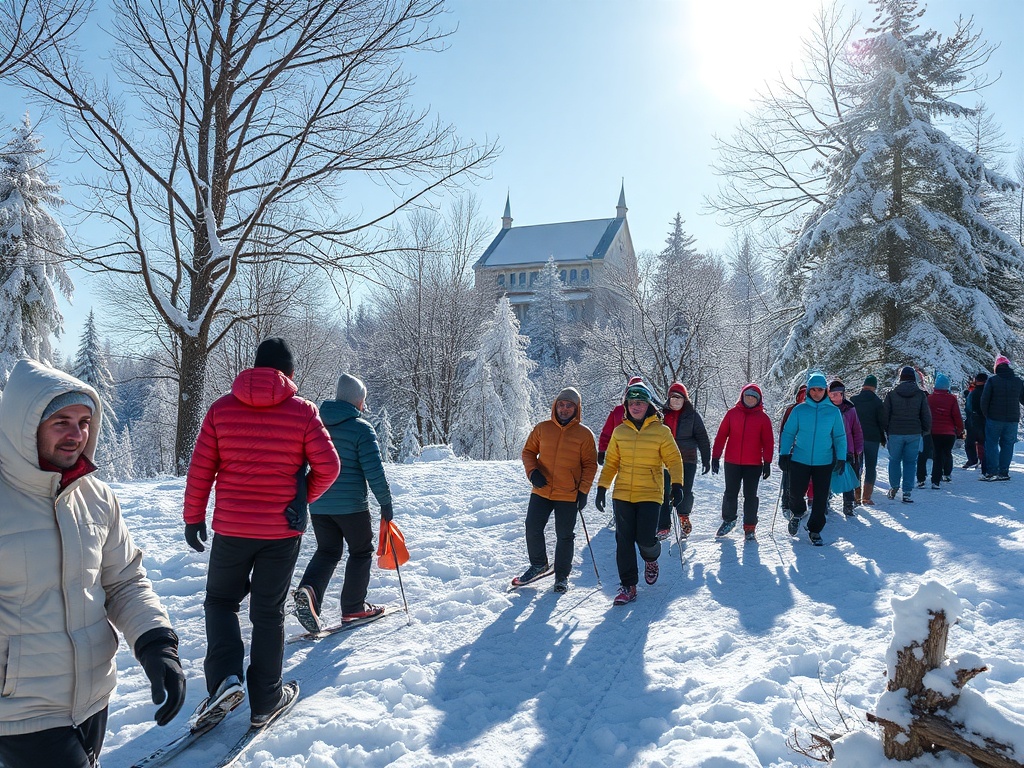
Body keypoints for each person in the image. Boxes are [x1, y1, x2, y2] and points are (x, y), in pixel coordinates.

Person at [0, 359, 185, 768]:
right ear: (23, 426)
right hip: (21, 711)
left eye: (84, 421)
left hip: (92, 697)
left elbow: (123, 581)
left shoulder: (96, 497)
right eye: (61, 421)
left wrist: (156, 643)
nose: (76, 435)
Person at [183, 338, 340, 730]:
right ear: (288, 374)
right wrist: (303, 496)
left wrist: (193, 516)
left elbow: (201, 467)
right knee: (268, 613)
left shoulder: (221, 410)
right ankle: (266, 699)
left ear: (253, 369)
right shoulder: (304, 413)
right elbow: (330, 466)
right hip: (281, 531)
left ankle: (224, 681)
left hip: (232, 529)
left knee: (220, 602)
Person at [293, 373, 396, 631]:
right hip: (352, 506)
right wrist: (385, 502)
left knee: (328, 551)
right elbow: (374, 471)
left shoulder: (317, 425)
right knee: (360, 551)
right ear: (357, 401)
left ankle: (309, 591)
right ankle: (353, 607)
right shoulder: (361, 429)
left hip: (318, 505)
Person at [595, 384, 683, 606]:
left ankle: (651, 559)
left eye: (640, 402)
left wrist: (677, 485)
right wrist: (602, 487)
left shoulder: (661, 431)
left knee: (645, 538)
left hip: (650, 494)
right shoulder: (619, 432)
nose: (636, 406)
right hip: (623, 493)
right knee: (623, 540)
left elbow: (673, 460)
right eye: (632, 403)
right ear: (626, 405)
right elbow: (611, 462)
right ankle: (628, 585)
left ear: (648, 405)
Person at [517, 387, 599, 593]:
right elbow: (528, 452)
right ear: (555, 406)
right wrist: (533, 472)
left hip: (569, 493)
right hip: (541, 490)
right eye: (561, 405)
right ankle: (538, 564)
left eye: (569, 405)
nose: (564, 409)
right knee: (532, 527)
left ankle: (561, 576)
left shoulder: (584, 435)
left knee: (564, 535)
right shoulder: (542, 429)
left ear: (576, 408)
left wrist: (583, 491)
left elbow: (590, 465)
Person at [778, 372, 847, 545]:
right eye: (814, 389)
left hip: (823, 461)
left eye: (821, 389)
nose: (817, 393)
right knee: (794, 493)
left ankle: (815, 530)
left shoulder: (833, 412)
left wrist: (841, 457)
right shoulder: (799, 410)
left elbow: (839, 436)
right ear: (809, 390)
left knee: (820, 498)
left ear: (825, 391)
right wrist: (784, 454)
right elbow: (788, 433)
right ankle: (797, 513)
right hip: (800, 459)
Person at [710, 383, 774, 541]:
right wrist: (715, 457)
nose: (750, 399)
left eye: (754, 397)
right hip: (732, 462)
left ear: (758, 400)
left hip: (753, 464)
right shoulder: (732, 414)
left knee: (750, 495)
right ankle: (729, 520)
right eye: (748, 396)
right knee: (730, 493)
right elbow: (721, 435)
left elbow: (768, 442)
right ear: (742, 397)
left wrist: (767, 462)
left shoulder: (763, 418)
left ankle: (750, 526)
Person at [657, 382, 710, 540]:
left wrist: (706, 458)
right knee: (664, 492)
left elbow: (702, 437)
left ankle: (683, 517)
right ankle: (663, 526)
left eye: (679, 398)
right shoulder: (661, 414)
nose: (675, 401)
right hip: (665, 461)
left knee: (685, 491)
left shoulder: (692, 415)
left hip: (687, 459)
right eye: (673, 397)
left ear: (684, 399)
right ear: (669, 399)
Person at [882, 365, 931, 502]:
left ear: (900, 378)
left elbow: (885, 415)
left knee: (894, 460)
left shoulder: (891, 394)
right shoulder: (920, 395)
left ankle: (894, 487)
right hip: (914, 432)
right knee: (910, 462)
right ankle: (907, 492)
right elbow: (926, 415)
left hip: (895, 432)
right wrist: (925, 431)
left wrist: (886, 430)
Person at [979, 355, 1024, 481]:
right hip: (1012, 419)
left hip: (994, 418)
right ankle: (1004, 472)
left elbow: (984, 400)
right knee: (1008, 445)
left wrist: (986, 414)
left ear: (997, 367)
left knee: (992, 444)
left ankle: (992, 471)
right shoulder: (1018, 381)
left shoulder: (993, 381)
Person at [828, 380, 863, 516]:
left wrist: (857, 449)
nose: (837, 398)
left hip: (848, 449)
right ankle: (825, 502)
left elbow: (857, 430)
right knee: (828, 476)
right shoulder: (826, 409)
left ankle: (848, 504)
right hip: (829, 449)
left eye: (840, 394)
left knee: (848, 477)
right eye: (833, 394)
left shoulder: (850, 409)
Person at [850, 374, 886, 505]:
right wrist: (883, 438)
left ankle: (856, 495)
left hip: (856, 438)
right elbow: (882, 422)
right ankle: (866, 497)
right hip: (872, 438)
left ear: (863, 386)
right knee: (871, 466)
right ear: (874, 387)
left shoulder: (853, 400)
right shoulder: (877, 402)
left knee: (857, 466)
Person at [926, 373, 964, 489]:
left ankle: (935, 480)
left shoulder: (929, 398)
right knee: (947, 453)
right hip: (949, 432)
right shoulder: (952, 399)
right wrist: (960, 429)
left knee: (937, 455)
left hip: (934, 431)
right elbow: (956, 415)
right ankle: (947, 473)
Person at [597, 375, 644, 465]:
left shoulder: (647, 411)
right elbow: (607, 433)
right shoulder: (618, 411)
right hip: (620, 455)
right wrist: (602, 450)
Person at [779, 383, 807, 517]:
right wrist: (782, 450)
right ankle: (787, 503)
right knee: (789, 478)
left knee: (795, 479)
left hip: (799, 451)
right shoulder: (791, 410)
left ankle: (792, 503)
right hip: (792, 451)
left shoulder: (793, 410)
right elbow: (784, 431)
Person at [963, 372, 988, 472]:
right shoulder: (988, 392)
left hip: (973, 420)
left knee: (970, 441)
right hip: (986, 420)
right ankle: (984, 460)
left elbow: (968, 408)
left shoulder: (973, 393)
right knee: (984, 442)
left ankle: (972, 459)